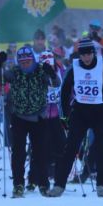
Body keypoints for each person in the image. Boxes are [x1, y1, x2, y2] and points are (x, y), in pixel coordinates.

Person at [47, 37, 103, 197]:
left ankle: (102, 185)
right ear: (79, 55)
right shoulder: (74, 68)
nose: (86, 58)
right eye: (83, 55)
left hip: (101, 111)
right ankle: (59, 185)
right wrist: (64, 116)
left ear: (93, 53)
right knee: (70, 148)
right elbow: (65, 92)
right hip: (80, 111)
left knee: (101, 148)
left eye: (89, 54)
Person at [3, 45, 59, 197]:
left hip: (39, 117)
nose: (25, 65)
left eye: (28, 62)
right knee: (18, 153)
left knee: (41, 152)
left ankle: (43, 183)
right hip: (19, 117)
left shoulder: (41, 70)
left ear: (33, 60)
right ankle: (18, 184)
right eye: (22, 62)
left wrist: (52, 74)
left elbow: (56, 84)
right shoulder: (15, 71)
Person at [37, 50, 66, 194]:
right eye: (45, 62)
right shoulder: (37, 72)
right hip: (41, 116)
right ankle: (37, 179)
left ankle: (59, 179)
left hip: (56, 115)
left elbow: (65, 86)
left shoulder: (60, 70)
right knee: (41, 148)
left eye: (50, 61)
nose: (48, 64)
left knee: (61, 147)